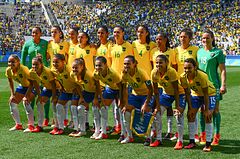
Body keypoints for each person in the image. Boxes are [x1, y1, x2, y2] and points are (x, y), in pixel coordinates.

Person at [197, 30, 227, 146]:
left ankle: (216, 135)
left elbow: (223, 70)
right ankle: (203, 134)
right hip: (201, 86)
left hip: (213, 86)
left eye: (207, 38)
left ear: (212, 38)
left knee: (215, 111)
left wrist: (223, 85)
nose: (205, 40)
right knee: (202, 111)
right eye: (203, 38)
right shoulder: (199, 52)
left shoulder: (218, 52)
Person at [180, 58, 216, 152]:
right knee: (190, 115)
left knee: (207, 116)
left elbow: (206, 94)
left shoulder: (202, 76)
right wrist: (190, 108)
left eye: (189, 68)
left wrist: (207, 109)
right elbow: (187, 93)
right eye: (185, 68)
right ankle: (192, 142)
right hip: (195, 95)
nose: (187, 70)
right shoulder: (182, 77)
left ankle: (208, 144)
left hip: (209, 94)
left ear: (195, 67)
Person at [151, 54, 186, 149]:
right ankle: (158, 139)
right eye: (156, 63)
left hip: (180, 94)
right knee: (157, 114)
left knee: (178, 115)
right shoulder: (154, 72)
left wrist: (177, 106)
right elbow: (156, 91)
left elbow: (176, 90)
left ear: (167, 63)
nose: (158, 65)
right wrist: (157, 106)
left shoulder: (171, 72)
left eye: (160, 62)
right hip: (167, 94)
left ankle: (180, 141)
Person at [173, 28, 199, 142]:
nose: (182, 39)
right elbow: (174, 67)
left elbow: (197, 67)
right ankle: (178, 133)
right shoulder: (176, 50)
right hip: (180, 85)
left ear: (190, 38)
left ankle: (195, 134)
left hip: (192, 86)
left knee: (193, 109)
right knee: (179, 109)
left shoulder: (195, 50)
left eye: (185, 37)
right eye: (181, 36)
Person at [120, 55, 153, 145]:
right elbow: (124, 89)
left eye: (128, 64)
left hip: (146, 95)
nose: (126, 66)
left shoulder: (142, 73)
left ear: (134, 64)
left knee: (146, 112)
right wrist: (126, 103)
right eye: (125, 64)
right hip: (135, 95)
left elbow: (151, 89)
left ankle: (149, 137)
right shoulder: (124, 73)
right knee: (125, 111)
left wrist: (146, 103)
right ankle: (129, 136)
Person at [20, 26, 50, 126]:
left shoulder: (45, 43)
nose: (34, 35)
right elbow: (23, 59)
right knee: (31, 95)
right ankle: (31, 117)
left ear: (40, 34)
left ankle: (46, 118)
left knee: (45, 94)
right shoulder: (27, 44)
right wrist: (24, 73)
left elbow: (49, 56)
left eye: (36, 33)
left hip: (43, 74)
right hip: (31, 74)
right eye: (33, 33)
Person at [150, 32, 177, 140]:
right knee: (156, 106)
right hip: (158, 82)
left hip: (170, 83)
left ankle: (170, 131)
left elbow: (175, 67)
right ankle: (154, 131)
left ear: (166, 40)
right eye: (156, 39)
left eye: (160, 39)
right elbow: (153, 67)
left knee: (170, 107)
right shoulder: (153, 52)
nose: (158, 41)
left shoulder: (172, 52)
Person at [96, 26, 121, 135]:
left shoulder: (111, 46)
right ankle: (104, 127)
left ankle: (119, 127)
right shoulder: (97, 48)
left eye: (102, 33)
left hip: (115, 79)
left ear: (107, 34)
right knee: (104, 104)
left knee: (118, 106)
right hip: (105, 81)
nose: (100, 35)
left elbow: (110, 63)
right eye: (99, 33)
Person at [49, 54, 80, 135]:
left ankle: (76, 129)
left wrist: (79, 92)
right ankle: (60, 128)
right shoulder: (53, 70)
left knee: (73, 108)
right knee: (58, 106)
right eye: (53, 62)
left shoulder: (70, 70)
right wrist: (62, 87)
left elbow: (78, 82)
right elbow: (58, 79)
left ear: (63, 62)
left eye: (57, 62)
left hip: (75, 91)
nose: (55, 64)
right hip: (66, 91)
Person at [93, 56, 122, 140]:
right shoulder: (95, 73)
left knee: (120, 109)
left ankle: (124, 133)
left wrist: (120, 100)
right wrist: (98, 97)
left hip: (121, 89)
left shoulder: (113, 74)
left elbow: (121, 87)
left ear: (105, 65)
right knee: (102, 107)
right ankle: (103, 132)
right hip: (110, 89)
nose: (98, 68)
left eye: (100, 65)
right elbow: (97, 85)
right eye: (96, 65)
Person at [47, 25, 70, 127]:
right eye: (52, 32)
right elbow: (48, 57)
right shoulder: (50, 44)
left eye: (55, 31)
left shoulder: (66, 44)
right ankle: (56, 119)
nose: (53, 33)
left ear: (60, 33)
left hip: (63, 73)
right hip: (53, 73)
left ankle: (65, 119)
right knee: (55, 96)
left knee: (63, 94)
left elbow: (68, 57)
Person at [6, 54, 35, 132]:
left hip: (32, 86)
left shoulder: (23, 69)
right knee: (12, 102)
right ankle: (18, 125)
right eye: (9, 62)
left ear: (18, 62)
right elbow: (10, 82)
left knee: (26, 103)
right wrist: (12, 94)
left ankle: (31, 126)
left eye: (13, 62)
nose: (10, 64)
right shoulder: (8, 70)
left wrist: (26, 96)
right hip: (22, 86)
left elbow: (32, 83)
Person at [28, 55, 58, 132]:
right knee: (39, 103)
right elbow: (36, 85)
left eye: (36, 64)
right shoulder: (32, 72)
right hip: (47, 89)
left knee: (55, 105)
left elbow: (54, 84)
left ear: (41, 64)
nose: (34, 66)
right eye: (33, 64)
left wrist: (54, 96)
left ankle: (57, 126)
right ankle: (40, 126)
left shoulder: (47, 71)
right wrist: (39, 96)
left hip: (57, 89)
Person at [69, 58, 97, 137]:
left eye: (76, 67)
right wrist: (81, 97)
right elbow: (76, 84)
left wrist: (95, 98)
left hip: (96, 92)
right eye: (73, 67)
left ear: (82, 67)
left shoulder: (89, 75)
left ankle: (99, 130)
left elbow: (97, 86)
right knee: (80, 108)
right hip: (87, 92)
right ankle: (82, 130)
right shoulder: (72, 74)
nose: (74, 69)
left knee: (97, 110)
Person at [66, 27, 79, 128]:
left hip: (78, 74)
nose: (71, 36)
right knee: (71, 99)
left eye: (72, 34)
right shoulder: (68, 44)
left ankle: (82, 122)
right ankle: (72, 120)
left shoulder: (80, 45)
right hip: (70, 74)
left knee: (79, 98)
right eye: (69, 34)